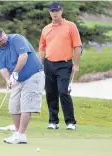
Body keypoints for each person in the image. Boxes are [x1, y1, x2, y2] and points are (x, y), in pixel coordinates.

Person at [0, 28, 44, 144]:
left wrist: (14, 73)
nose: (1, 39)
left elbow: (23, 56)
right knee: (13, 106)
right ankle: (18, 133)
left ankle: (21, 134)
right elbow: (3, 69)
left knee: (26, 105)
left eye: (1, 35)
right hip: (18, 79)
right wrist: (7, 80)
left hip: (33, 75)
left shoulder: (17, 39)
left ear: (4, 33)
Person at [39, 2, 82, 130]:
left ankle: (70, 122)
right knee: (50, 93)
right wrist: (39, 66)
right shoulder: (46, 29)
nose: (55, 13)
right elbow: (42, 49)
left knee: (63, 91)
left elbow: (77, 46)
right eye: (52, 11)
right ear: (50, 13)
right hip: (49, 64)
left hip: (64, 64)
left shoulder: (70, 26)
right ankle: (53, 121)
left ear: (61, 11)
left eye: (57, 11)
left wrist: (76, 64)